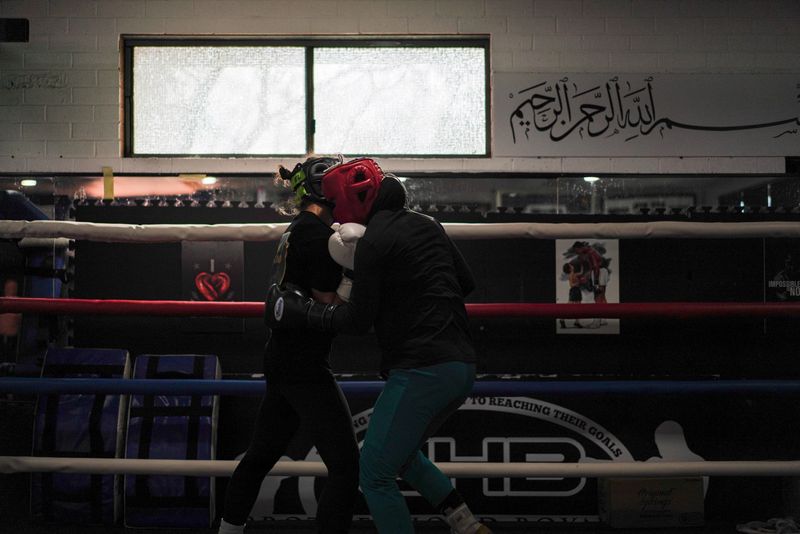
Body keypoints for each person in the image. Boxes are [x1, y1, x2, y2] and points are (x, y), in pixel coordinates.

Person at [265, 157, 491, 534]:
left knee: (373, 474)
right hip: (461, 365)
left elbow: (357, 321)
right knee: (403, 456)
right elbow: (465, 283)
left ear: (353, 202)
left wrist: (305, 312)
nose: (337, 214)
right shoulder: (428, 224)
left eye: (339, 204)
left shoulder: (372, 241)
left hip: (421, 369)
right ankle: (467, 525)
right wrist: (405, 292)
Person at [219, 157, 360, 534]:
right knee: (346, 465)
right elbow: (329, 304)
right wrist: (354, 275)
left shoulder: (297, 228)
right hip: (304, 363)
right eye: (338, 185)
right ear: (323, 191)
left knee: (261, 455)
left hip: (283, 356)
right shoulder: (316, 235)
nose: (344, 192)